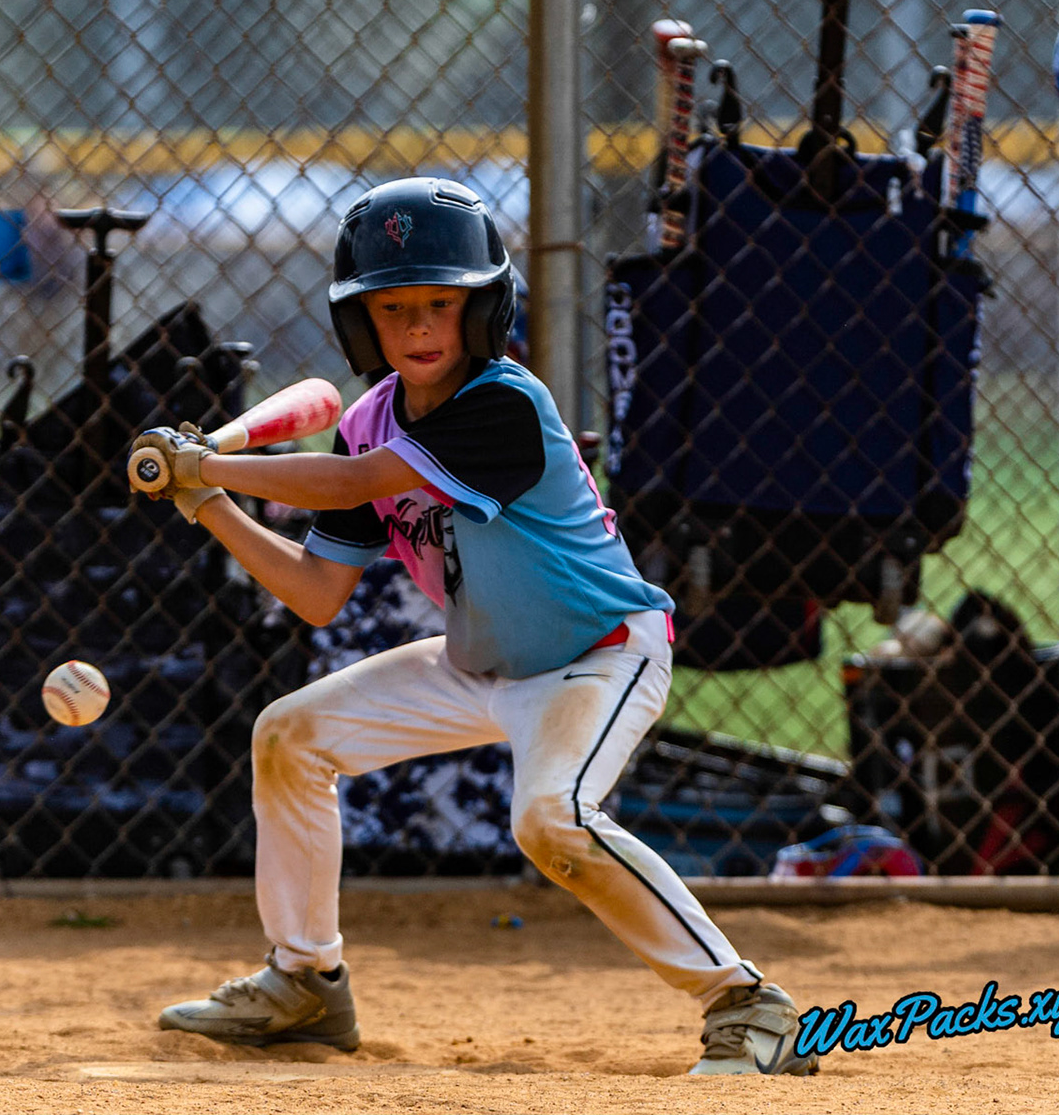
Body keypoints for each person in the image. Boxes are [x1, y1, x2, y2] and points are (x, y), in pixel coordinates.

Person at [129, 177, 816, 1076]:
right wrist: (208, 500)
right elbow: (315, 591)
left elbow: (354, 485)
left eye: (442, 305)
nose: (419, 328)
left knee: (550, 819)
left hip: (596, 656)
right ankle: (304, 982)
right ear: (360, 324)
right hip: (479, 664)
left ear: (484, 311)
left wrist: (211, 457)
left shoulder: (504, 404)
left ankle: (746, 1002)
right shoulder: (371, 417)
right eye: (394, 308)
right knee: (289, 737)